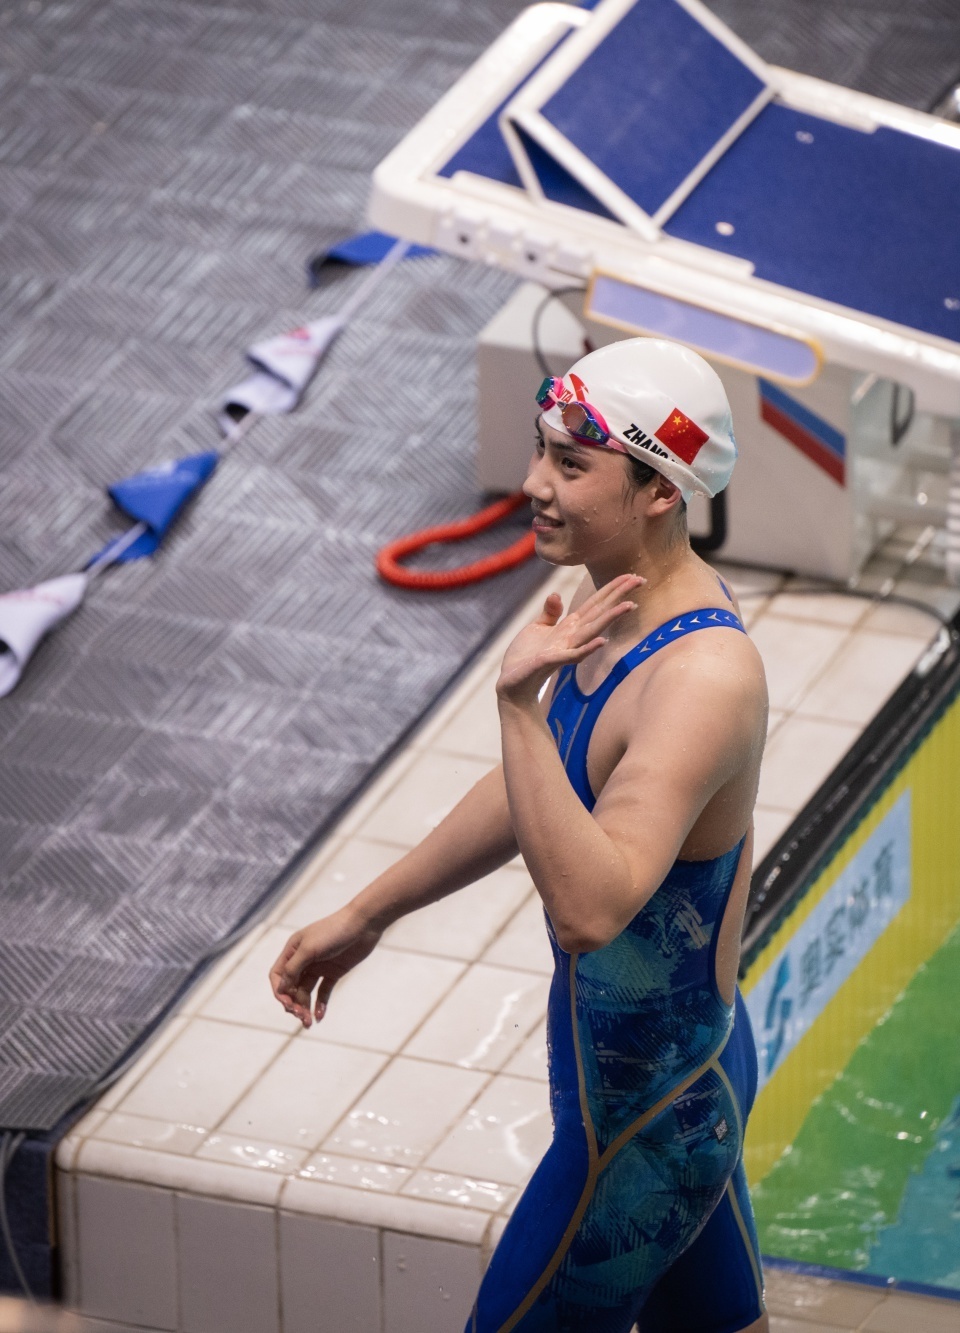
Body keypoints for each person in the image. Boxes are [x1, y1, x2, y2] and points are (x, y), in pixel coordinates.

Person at [270, 337, 769, 1333]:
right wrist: (369, 912)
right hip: (642, 1082)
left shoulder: (702, 678)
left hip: (646, 1119)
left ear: (661, 490)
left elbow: (592, 907)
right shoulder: (620, 601)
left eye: (572, 466)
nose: (535, 483)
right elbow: (548, 789)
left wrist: (519, 707)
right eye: (542, 452)